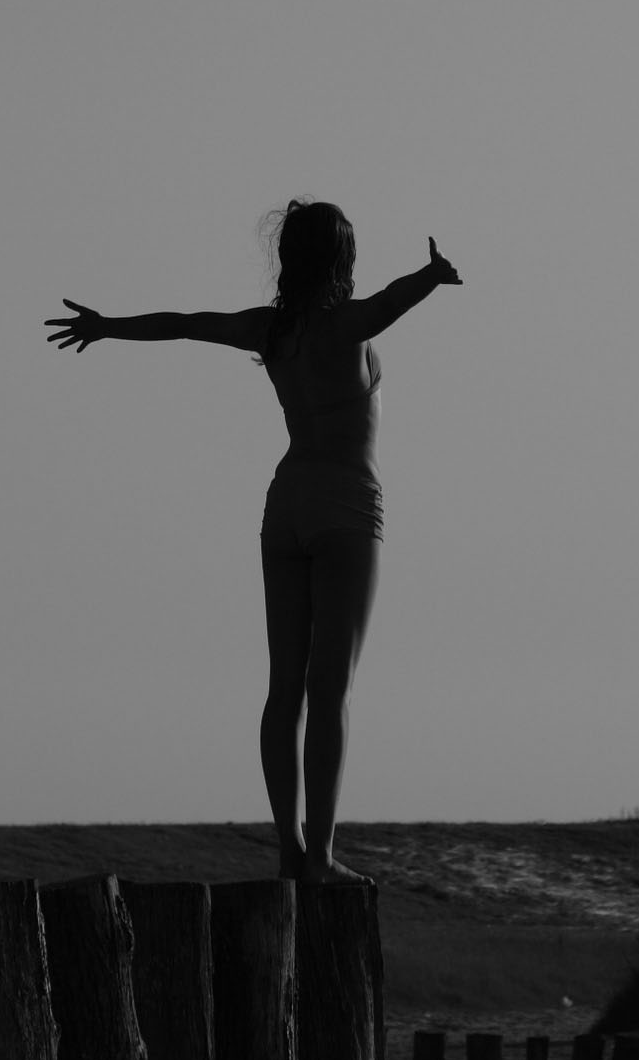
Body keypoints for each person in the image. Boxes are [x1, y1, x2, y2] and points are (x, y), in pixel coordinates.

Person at [46, 198, 462, 884]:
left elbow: (184, 323)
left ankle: (289, 851)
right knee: (330, 690)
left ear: (288, 258)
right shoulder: (346, 326)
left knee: (283, 690)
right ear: (342, 259)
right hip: (344, 506)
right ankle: (320, 857)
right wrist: (432, 276)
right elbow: (391, 301)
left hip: (285, 506)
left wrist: (106, 326)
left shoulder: (269, 331)